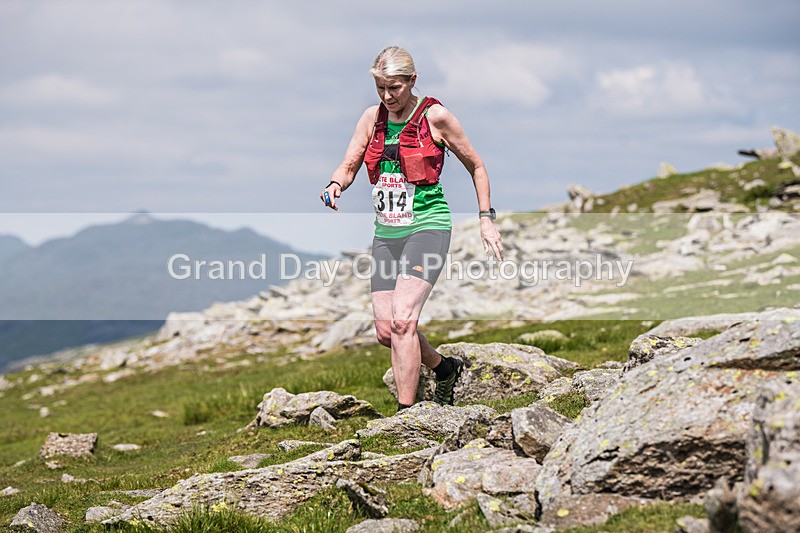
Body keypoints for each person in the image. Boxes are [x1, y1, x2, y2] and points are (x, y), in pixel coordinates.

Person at [321, 46, 503, 412]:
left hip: (428, 227)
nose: (388, 97)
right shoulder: (372, 119)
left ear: (412, 81)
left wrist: (486, 219)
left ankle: (406, 416)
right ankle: (444, 367)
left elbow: (477, 167)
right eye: (381, 89)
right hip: (388, 234)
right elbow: (349, 164)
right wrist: (335, 184)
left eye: (395, 88)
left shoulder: (436, 117)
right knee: (387, 331)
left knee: (404, 320)